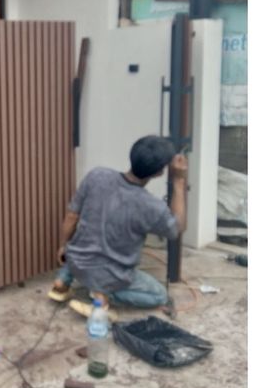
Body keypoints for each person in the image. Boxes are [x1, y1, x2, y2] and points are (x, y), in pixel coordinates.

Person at [49, 135, 188, 316]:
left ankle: (62, 282)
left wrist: (63, 246)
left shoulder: (97, 176)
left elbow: (71, 216)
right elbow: (177, 228)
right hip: (112, 276)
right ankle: (102, 297)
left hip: (76, 260)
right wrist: (179, 181)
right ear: (159, 173)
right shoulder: (151, 207)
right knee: (159, 295)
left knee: (77, 250)